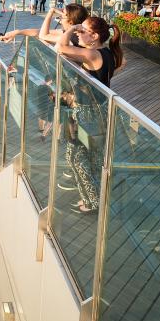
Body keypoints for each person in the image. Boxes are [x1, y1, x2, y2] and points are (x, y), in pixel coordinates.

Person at [56, 16, 123, 213]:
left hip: (88, 114)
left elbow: (61, 47)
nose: (78, 32)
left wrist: (72, 28)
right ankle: (90, 198)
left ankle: (93, 201)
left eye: (82, 30)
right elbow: (122, 62)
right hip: (98, 111)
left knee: (76, 157)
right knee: (86, 158)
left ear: (94, 36)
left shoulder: (92, 54)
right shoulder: (106, 52)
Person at [0, 3, 88, 47]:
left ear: (71, 22)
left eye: (62, 14)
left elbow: (43, 35)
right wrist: (18, 32)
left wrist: (51, 12)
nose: (60, 15)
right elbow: (39, 32)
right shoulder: (72, 33)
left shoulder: (74, 38)